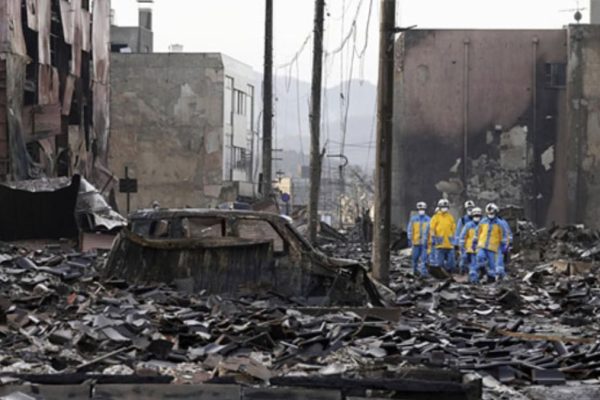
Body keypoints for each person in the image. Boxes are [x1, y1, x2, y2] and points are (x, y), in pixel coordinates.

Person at [472, 203, 508, 283]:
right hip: (482, 245)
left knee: (492, 264)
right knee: (480, 257)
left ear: (496, 213)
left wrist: (504, 245)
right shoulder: (483, 222)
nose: (490, 215)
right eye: (489, 213)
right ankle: (483, 270)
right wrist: (474, 242)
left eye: (492, 213)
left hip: (493, 247)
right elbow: (477, 232)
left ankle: (491, 279)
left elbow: (504, 235)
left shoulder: (500, 223)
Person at [428, 199, 457, 273]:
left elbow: (453, 229)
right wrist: (433, 238)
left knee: (451, 262)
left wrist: (454, 239)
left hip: (449, 244)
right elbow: (432, 229)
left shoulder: (450, 217)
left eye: (446, 207)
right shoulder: (435, 217)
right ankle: (441, 274)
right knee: (439, 262)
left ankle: (449, 273)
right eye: (443, 207)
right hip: (440, 243)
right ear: (440, 207)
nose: (444, 208)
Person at [407, 202, 431, 276]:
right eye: (420, 209)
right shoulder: (413, 219)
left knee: (424, 259)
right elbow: (410, 229)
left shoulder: (428, 219)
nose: (421, 210)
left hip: (424, 243)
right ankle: (415, 271)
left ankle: (423, 274)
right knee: (415, 258)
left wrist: (430, 242)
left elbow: (430, 231)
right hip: (416, 242)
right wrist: (409, 239)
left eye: (422, 209)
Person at [459, 207, 482, 276]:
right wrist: (462, 247)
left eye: (478, 216)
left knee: (475, 264)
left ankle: (473, 275)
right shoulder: (468, 225)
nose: (477, 217)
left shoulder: (483, 225)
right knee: (463, 261)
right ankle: (462, 272)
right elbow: (462, 237)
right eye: (475, 216)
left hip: (478, 249)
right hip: (468, 248)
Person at [455, 200, 475, 271]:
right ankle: (462, 271)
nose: (470, 210)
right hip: (464, 243)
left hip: (474, 243)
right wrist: (457, 244)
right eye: (468, 208)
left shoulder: (477, 219)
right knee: (463, 258)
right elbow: (458, 232)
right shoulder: (462, 220)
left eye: (471, 208)